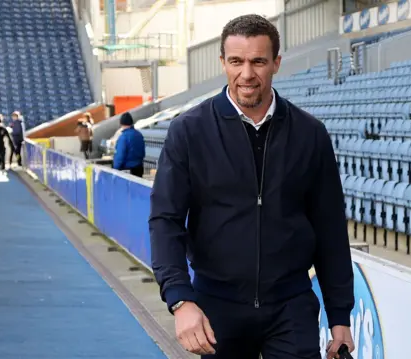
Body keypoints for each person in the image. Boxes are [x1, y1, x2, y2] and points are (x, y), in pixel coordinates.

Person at [149, 14, 355, 359]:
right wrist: (180, 299)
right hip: (217, 306)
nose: (246, 74)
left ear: (276, 62)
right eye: (236, 61)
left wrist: (340, 316)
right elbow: (165, 220)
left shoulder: (310, 133)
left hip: (291, 306)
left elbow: (330, 229)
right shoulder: (189, 131)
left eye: (258, 61)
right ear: (222, 63)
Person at [112, 112, 145, 177]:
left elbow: (120, 156)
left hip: (127, 170)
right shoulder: (139, 135)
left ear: (121, 123)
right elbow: (143, 153)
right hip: (139, 168)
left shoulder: (124, 137)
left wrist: (115, 169)